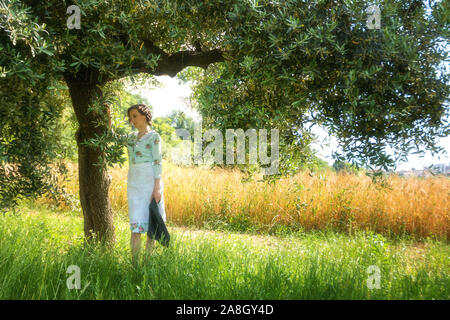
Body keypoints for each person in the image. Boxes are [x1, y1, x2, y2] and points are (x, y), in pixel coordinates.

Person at [126, 104, 166, 261]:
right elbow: (110, 136)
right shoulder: (130, 138)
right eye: (130, 117)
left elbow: (158, 162)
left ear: (144, 116)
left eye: (135, 116)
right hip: (134, 182)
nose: (132, 120)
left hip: (150, 181)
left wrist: (157, 189)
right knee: (135, 224)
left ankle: (147, 262)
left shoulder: (154, 137)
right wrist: (108, 116)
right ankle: (134, 264)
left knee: (151, 222)